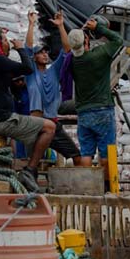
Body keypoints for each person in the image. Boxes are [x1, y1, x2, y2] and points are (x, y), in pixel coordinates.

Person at [0, 28, 56, 192]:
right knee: (49, 128)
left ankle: (22, 172)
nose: (7, 44)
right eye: (4, 41)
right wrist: (21, 48)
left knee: (25, 133)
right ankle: (30, 171)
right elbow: (28, 68)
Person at [56, 14, 123, 186]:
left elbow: (70, 49)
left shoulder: (72, 62)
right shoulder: (98, 56)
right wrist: (98, 28)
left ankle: (87, 186)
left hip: (84, 113)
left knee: (86, 153)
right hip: (102, 110)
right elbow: (118, 40)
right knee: (107, 153)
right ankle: (109, 187)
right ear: (86, 41)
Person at [25, 12, 81, 165]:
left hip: (53, 123)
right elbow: (27, 49)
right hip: (36, 124)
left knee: (76, 156)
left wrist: (61, 26)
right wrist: (31, 24)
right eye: (40, 53)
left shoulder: (54, 72)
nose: (44, 54)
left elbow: (67, 50)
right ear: (34, 58)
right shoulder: (30, 73)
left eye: (45, 52)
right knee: (34, 161)